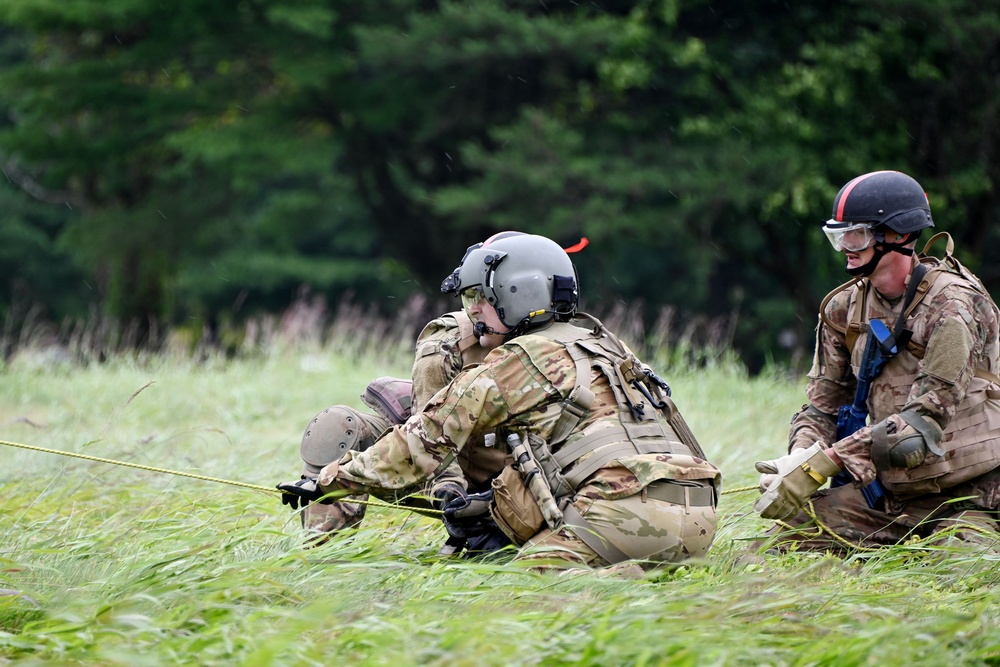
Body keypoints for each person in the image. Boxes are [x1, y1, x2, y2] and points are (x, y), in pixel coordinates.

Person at [279, 233, 721, 571]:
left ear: (517, 294)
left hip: (619, 516)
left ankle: (619, 582)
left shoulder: (518, 359)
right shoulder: (606, 344)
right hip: (702, 515)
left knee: (518, 592)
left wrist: (333, 481)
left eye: (478, 298)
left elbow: (422, 443)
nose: (471, 311)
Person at [754, 170, 1000, 552]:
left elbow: (920, 427)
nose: (846, 246)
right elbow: (822, 408)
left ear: (899, 235)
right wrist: (799, 457)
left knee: (954, 577)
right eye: (838, 236)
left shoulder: (952, 306)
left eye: (858, 234)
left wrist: (826, 462)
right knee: (772, 550)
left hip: (970, 497)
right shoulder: (843, 309)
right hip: (889, 499)